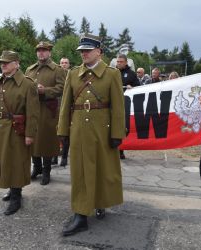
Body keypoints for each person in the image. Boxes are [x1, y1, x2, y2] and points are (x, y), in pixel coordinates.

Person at [57, 34, 126, 236]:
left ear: (99, 52)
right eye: (82, 51)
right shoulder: (73, 73)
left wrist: (117, 133)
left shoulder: (112, 74)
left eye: (88, 50)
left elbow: (118, 107)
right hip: (78, 130)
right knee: (80, 171)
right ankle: (81, 215)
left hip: (102, 130)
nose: (84, 54)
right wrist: (62, 130)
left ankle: (99, 202)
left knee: (102, 170)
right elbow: (65, 105)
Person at [0, 50, 40, 216]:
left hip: (16, 129)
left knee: (15, 161)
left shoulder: (27, 84)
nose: (3, 64)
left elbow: (33, 112)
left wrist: (30, 134)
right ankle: (9, 187)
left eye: (7, 62)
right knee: (1, 160)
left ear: (16, 64)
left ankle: (16, 196)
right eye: (2, 61)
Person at [26, 41, 66, 185]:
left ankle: (46, 171)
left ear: (49, 52)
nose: (41, 53)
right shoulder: (30, 70)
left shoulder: (57, 69)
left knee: (47, 140)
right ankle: (36, 168)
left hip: (48, 110)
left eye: (44, 50)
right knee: (32, 139)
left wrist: (46, 91)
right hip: (32, 110)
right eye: (39, 50)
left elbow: (62, 88)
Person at [116, 54, 140, 159]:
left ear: (126, 62)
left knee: (124, 127)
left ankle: (121, 149)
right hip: (113, 103)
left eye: (121, 61)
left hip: (126, 104)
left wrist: (132, 87)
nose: (119, 63)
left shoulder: (132, 74)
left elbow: (139, 87)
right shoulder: (112, 72)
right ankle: (115, 148)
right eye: (118, 61)